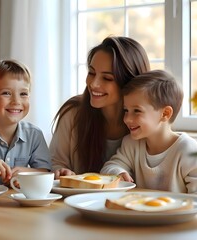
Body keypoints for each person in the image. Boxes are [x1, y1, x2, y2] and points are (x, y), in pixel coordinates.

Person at [100, 70, 197, 196]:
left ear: (165, 114)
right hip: (141, 213)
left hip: (177, 215)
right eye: (126, 110)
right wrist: (118, 172)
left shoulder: (188, 150)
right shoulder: (131, 144)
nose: (127, 118)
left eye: (136, 111)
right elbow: (110, 167)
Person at [50, 36, 151, 179]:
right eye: (91, 73)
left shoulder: (146, 123)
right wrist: (60, 171)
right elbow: (55, 164)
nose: (93, 84)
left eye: (107, 78)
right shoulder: (73, 113)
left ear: (129, 82)